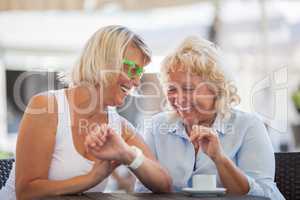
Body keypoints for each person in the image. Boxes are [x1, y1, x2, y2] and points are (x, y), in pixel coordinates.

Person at [0, 25, 171, 200]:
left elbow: (164, 183)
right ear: (104, 62)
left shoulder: (119, 126)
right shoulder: (47, 106)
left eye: (140, 73)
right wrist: (92, 178)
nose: (136, 82)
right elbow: (27, 191)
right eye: (132, 69)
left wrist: (128, 154)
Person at [135, 36, 285, 199]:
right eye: (172, 89)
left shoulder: (248, 125)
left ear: (216, 88)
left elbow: (264, 195)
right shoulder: (157, 126)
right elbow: (144, 191)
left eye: (188, 88)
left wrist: (219, 158)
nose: (179, 99)